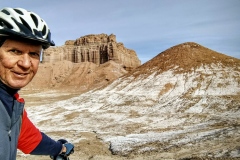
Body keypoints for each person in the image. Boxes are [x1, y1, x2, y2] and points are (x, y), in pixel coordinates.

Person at [0, 7, 74, 160]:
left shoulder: (12, 103)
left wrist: (60, 149)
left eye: (34, 54)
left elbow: (30, 139)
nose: (26, 64)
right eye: (15, 51)